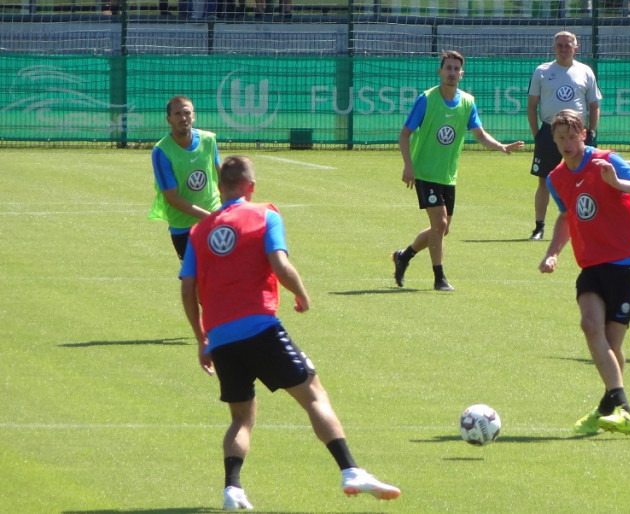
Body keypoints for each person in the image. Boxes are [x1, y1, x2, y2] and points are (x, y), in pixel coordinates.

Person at [180, 156, 401, 509]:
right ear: (250, 187)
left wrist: (202, 338)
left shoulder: (198, 231)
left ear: (219, 189)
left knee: (240, 418)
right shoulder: (264, 213)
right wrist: (301, 293)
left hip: (221, 337)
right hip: (261, 329)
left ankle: (233, 489)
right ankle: (350, 470)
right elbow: (280, 264)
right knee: (314, 393)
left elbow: (187, 289)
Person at [538, 109, 630, 436]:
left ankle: (608, 408)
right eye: (559, 137)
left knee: (610, 343)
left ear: (584, 135)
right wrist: (552, 254)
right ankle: (623, 409)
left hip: (627, 262)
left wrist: (618, 182)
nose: (566, 142)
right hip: (592, 263)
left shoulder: (606, 162)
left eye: (571, 136)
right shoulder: (555, 179)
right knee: (590, 327)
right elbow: (566, 217)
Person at [391, 50, 524, 291]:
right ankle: (439, 278)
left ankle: (405, 255)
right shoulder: (426, 99)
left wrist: (500, 146)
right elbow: (404, 135)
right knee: (440, 224)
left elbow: (480, 135)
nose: (452, 73)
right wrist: (408, 166)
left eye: (456, 69)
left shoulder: (467, 101)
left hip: (447, 175)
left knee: (442, 229)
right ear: (439, 71)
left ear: (461, 74)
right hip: (425, 173)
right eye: (448, 68)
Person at [526, 31, 602, 241]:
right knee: (544, 181)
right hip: (549, 133)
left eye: (568, 45)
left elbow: (594, 105)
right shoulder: (542, 71)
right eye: (559, 45)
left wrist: (591, 132)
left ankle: (586, 227)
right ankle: (539, 227)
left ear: (576, 48)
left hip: (577, 136)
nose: (563, 48)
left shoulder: (585, 71)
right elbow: (532, 106)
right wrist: (537, 135)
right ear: (554, 47)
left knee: (585, 181)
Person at [149, 95, 221, 262]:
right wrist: (207, 216)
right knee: (193, 282)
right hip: (183, 227)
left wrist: (227, 211)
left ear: (193, 116)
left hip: (213, 217)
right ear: (169, 119)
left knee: (222, 275)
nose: (183, 118)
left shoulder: (208, 140)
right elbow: (172, 198)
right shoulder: (161, 151)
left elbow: (222, 178)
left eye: (187, 113)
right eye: (177, 114)